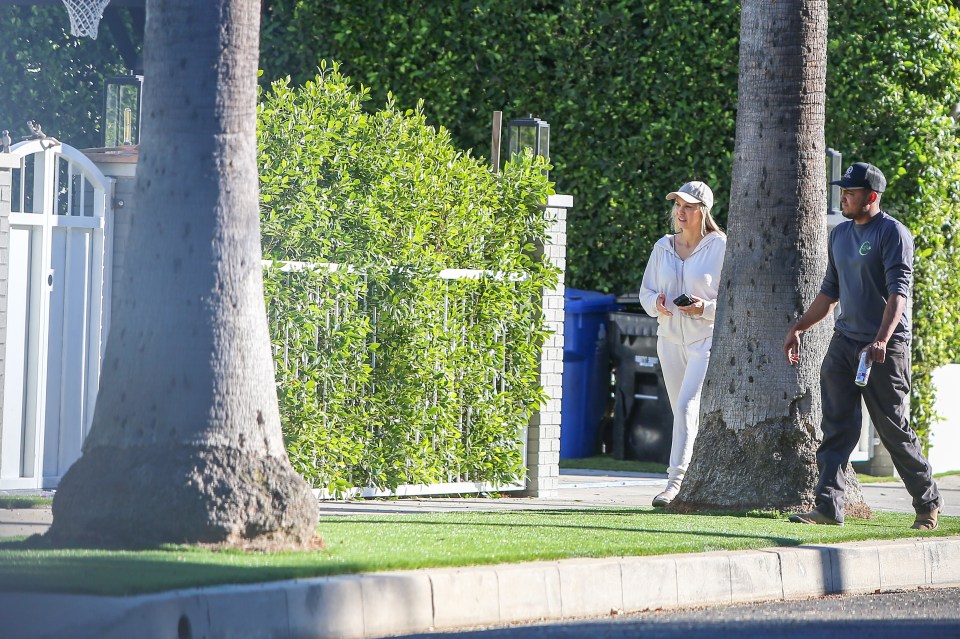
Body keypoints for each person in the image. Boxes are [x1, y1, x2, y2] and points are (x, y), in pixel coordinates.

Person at [783, 162, 942, 529]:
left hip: (884, 348)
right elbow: (829, 293)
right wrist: (799, 327)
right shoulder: (839, 235)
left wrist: (882, 339)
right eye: (843, 191)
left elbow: (897, 294)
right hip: (844, 343)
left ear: (871, 197)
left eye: (851, 193)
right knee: (837, 426)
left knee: (893, 430)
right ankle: (827, 507)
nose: (844, 197)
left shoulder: (893, 233)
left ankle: (927, 502)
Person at [639, 181, 726, 507]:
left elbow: (732, 300)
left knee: (688, 406)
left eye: (688, 206)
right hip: (669, 340)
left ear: (703, 210)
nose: (681, 212)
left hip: (704, 339)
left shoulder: (720, 246)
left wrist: (703, 308)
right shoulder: (663, 246)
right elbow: (645, 292)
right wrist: (656, 304)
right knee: (683, 411)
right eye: (678, 205)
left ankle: (673, 484)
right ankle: (695, 478)